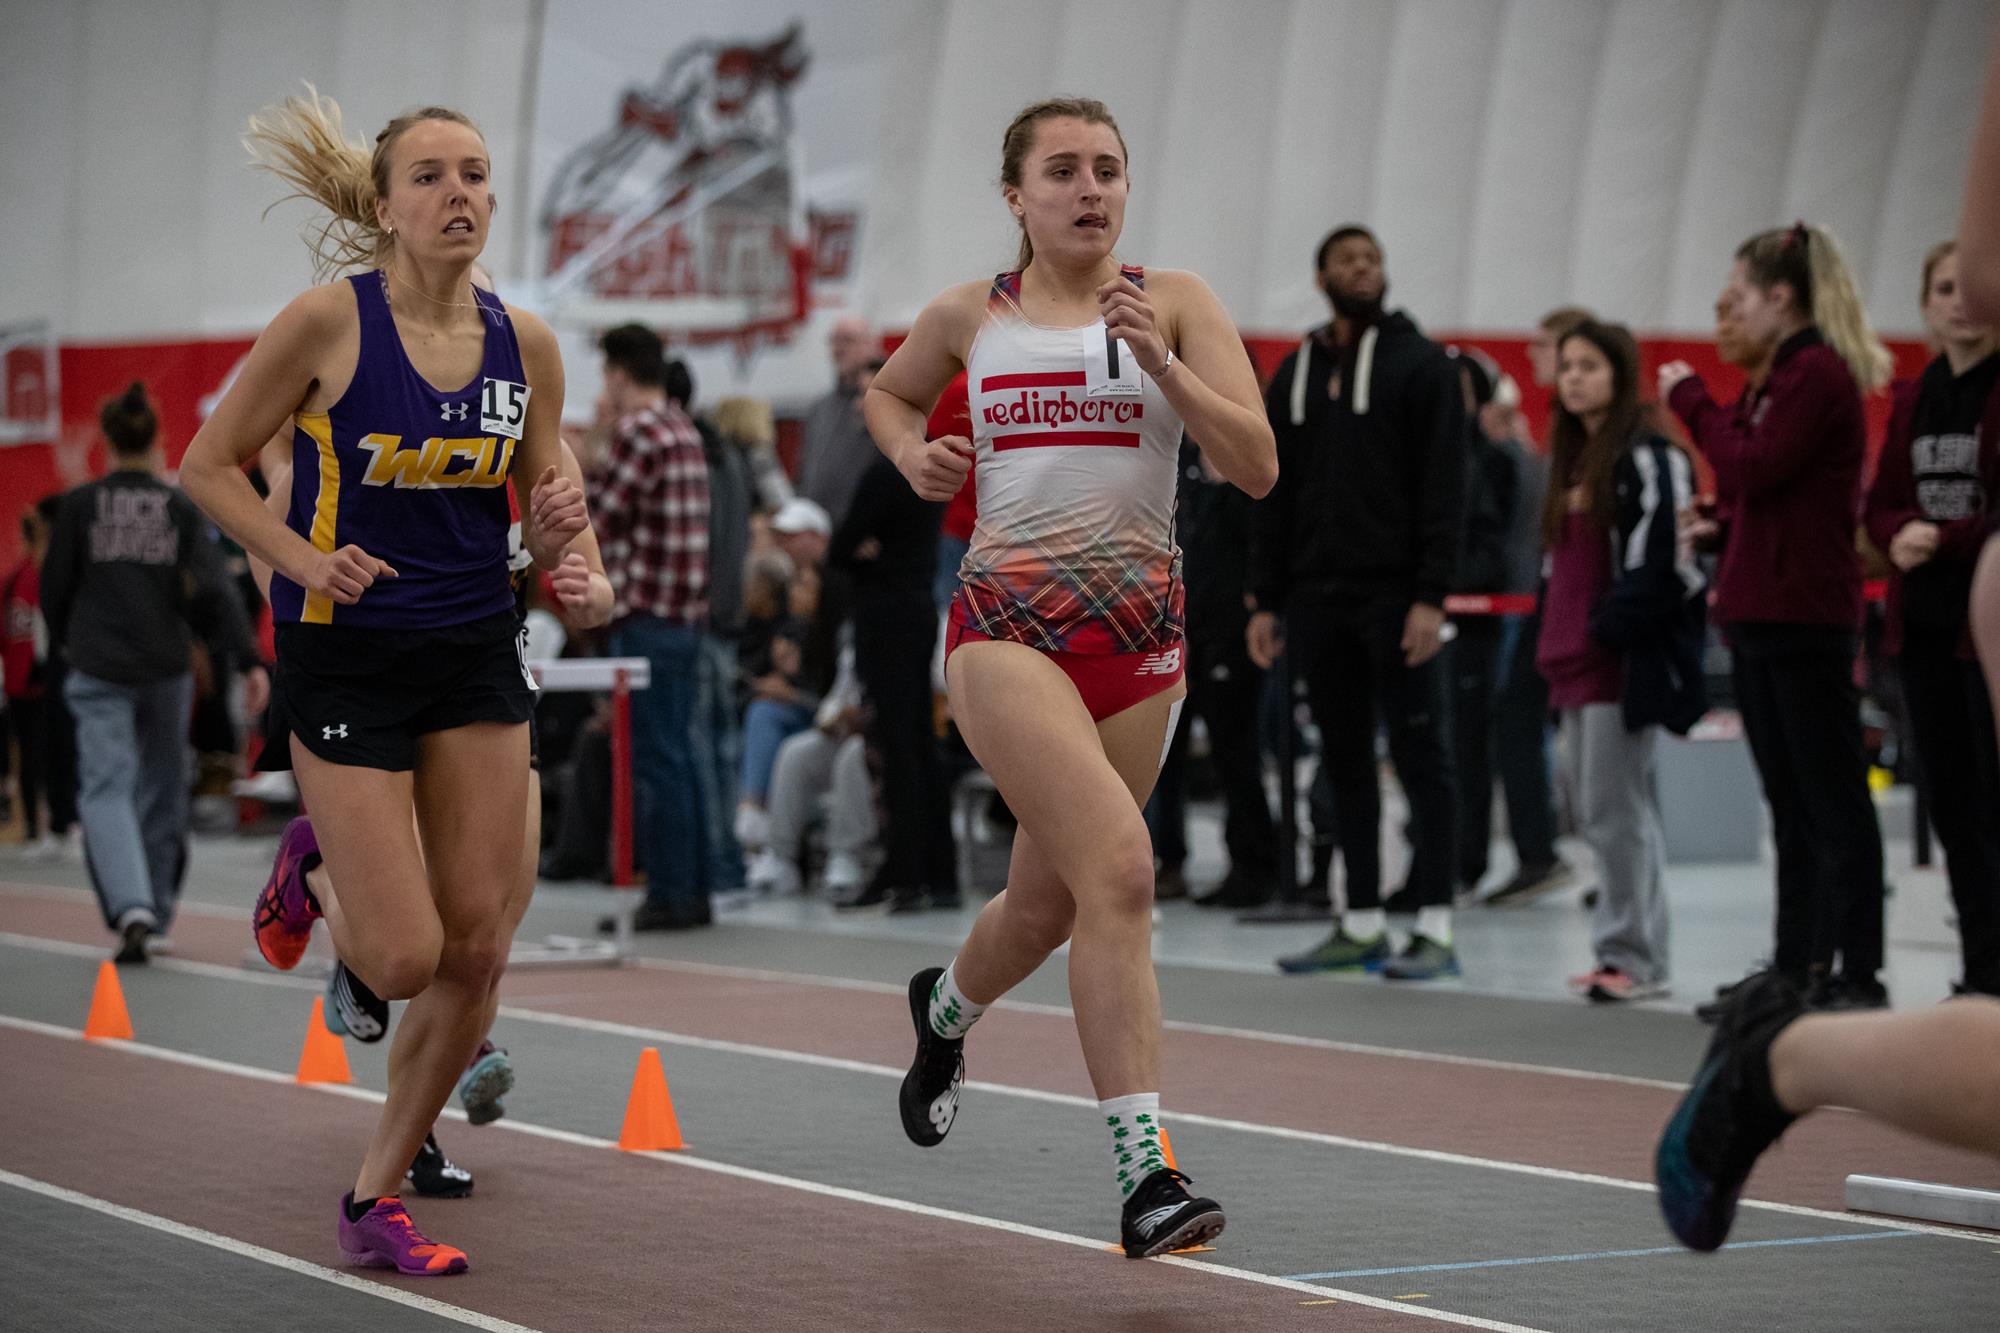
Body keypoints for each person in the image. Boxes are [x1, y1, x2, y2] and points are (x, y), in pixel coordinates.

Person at [180, 90, 587, 1275]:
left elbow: (546, 516)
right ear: (383, 205)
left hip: (471, 649)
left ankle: (372, 1199)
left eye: (472, 173)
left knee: (478, 951)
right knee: (402, 958)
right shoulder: (326, 323)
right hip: (345, 646)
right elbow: (208, 468)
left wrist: (574, 553)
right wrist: (305, 559)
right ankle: (313, 854)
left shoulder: (529, 345)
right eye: (428, 177)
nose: (457, 193)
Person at [862, 96, 1275, 1258]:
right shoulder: (967, 316)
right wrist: (910, 452)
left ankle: (942, 1011)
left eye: (1106, 169)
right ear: (1016, 198)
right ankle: (1147, 1179)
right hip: (1005, 633)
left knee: (1048, 906)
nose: (1088, 188)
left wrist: (1166, 371)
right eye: (1061, 171)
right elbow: (886, 394)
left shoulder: (1177, 303)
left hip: (1140, 648)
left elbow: (1253, 466)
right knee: (1125, 872)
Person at [1661, 223, 1892, 1014]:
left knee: (1831, 801)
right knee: (1791, 805)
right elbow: (1767, 491)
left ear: (1781, 296)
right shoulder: (1778, 379)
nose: (1733, 312)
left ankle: (1856, 970)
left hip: (1804, 614)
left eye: (1741, 295)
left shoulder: (1814, 374)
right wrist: (1725, 529)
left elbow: (1753, 465)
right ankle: (1797, 965)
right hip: (1764, 610)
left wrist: (1692, 400)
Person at [1253, 225, 1468, 980]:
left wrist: (1430, 597)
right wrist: (1265, 600)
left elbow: (1447, 488)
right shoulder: (1298, 371)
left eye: (1373, 260)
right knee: (1341, 763)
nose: (1363, 271)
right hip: (1318, 600)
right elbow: (1272, 493)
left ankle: (1435, 925)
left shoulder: (1425, 367)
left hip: (1397, 599)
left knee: (1422, 759)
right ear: (1321, 276)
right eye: (1347, 261)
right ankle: (1363, 919)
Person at [41, 385, 266, 964]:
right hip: (165, 666)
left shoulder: (79, 505)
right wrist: (244, 659)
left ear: (107, 440)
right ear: (159, 438)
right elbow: (215, 590)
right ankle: (158, 912)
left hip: (98, 665)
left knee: (106, 786)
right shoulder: (178, 507)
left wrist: (67, 643)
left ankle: (131, 905)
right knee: (164, 789)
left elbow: (54, 590)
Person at [1537, 320, 1706, 1003]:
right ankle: (1619, 948)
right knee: (1593, 809)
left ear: (1621, 373)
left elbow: (1662, 559)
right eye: (1568, 365)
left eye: (1590, 365)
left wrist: (1609, 630)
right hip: (1569, 661)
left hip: (1615, 660)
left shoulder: (1647, 454)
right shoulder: (1571, 459)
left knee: (1617, 811)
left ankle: (1636, 956)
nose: (1574, 376)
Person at [1862, 241, 2000, 997]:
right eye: (1945, 288)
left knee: (1991, 799)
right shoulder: (1917, 397)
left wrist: (1940, 536)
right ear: (1925, 303)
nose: (1960, 302)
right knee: (1952, 806)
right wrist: (1895, 533)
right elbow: (1882, 496)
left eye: (1972, 287)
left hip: (1986, 630)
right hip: (1922, 630)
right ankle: (1980, 973)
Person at [591, 324, 714, 932]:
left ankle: (668, 893)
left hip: (647, 618)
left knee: (657, 761)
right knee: (683, 757)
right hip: (686, 618)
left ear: (618, 373)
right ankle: (693, 888)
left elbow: (596, 516)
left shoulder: (638, 432)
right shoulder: (682, 427)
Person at [832, 357, 959, 912]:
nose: (867, 404)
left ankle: (906, 871)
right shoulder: (931, 464)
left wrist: (866, 555)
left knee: (899, 747)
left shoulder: (887, 472)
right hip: (914, 612)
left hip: (886, 617)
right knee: (917, 746)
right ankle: (935, 872)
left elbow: (841, 547)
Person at [2, 497, 79, 858]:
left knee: (56, 753)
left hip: (50, 672)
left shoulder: (51, 570)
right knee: (40, 756)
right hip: (33, 676)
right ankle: (44, 826)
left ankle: (59, 825)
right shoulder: (22, 576)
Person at [797, 317, 881, 529]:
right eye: (834, 341)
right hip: (817, 530)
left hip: (863, 530)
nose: (839, 349)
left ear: (872, 345)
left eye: (848, 341)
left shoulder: (887, 406)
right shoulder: (819, 408)